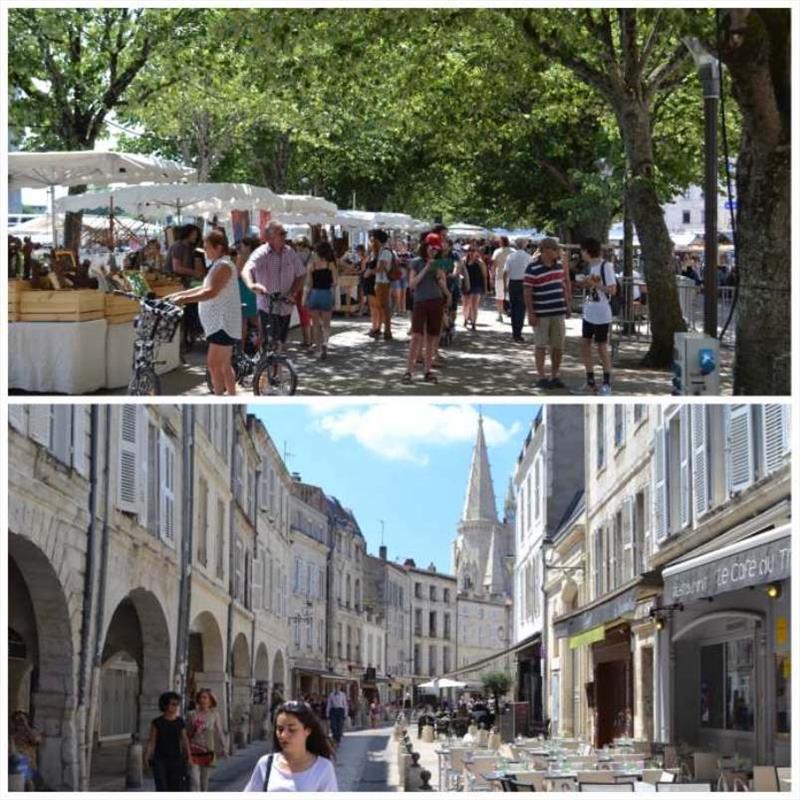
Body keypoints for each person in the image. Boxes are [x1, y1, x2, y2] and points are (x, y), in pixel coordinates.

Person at [167, 230, 242, 395]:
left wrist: (183, 300)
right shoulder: (219, 264)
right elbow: (204, 288)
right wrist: (179, 294)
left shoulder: (223, 266)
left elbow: (211, 292)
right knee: (223, 365)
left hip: (222, 323)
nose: (205, 251)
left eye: (207, 247)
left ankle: (219, 396)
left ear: (219, 247)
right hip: (223, 323)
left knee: (214, 364)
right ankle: (231, 395)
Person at [242, 221, 306, 354]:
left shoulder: (290, 252)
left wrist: (293, 292)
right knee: (269, 344)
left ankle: (274, 372)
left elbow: (301, 274)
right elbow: (246, 269)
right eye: (282, 233)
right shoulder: (261, 253)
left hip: (286, 306)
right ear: (270, 237)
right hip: (268, 307)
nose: (285, 236)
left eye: (285, 233)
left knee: (280, 342)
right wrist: (251, 284)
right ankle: (267, 372)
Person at [244, 701, 337, 792]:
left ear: (307, 731)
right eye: (280, 729)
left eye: (292, 729)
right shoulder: (265, 764)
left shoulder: (323, 768)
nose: (283, 735)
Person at [523, 237, 571, 390]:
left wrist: (567, 304)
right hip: (541, 313)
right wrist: (531, 313)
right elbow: (527, 292)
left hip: (558, 312)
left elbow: (562, 285)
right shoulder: (532, 269)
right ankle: (541, 376)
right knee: (541, 345)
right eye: (555, 249)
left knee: (558, 346)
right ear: (546, 250)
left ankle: (555, 375)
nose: (558, 253)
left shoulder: (559, 266)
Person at [403, 234, 450, 385]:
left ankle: (427, 371)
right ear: (426, 246)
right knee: (416, 336)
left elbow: (442, 282)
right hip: (420, 302)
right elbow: (412, 284)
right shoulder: (416, 262)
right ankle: (408, 371)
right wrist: (427, 268)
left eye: (437, 249)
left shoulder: (440, 262)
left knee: (431, 337)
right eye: (432, 247)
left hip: (436, 301)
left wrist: (447, 292)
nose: (434, 251)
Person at [575, 236, 616, 395]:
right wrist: (585, 283)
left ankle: (606, 383)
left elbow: (612, 290)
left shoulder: (606, 266)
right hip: (589, 311)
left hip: (601, 312)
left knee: (601, 347)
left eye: (582, 251)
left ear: (587, 251)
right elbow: (594, 287)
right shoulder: (591, 267)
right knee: (585, 344)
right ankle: (590, 381)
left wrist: (594, 284)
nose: (581, 254)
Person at [143, 691, 191, 792]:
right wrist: (146, 755)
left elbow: (184, 739)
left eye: (177, 704)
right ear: (165, 705)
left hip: (176, 759)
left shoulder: (180, 722)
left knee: (176, 787)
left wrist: (189, 756)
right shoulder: (157, 722)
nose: (176, 707)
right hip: (160, 759)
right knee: (162, 787)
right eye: (173, 704)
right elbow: (152, 741)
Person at [304, 240, 339, 360]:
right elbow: (335, 282)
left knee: (315, 324)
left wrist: (304, 299)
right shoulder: (331, 265)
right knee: (326, 324)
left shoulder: (311, 265)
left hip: (314, 294)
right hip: (326, 294)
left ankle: (317, 347)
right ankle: (325, 344)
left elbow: (308, 284)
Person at [187, 689, 227, 792]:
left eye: (205, 697)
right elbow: (187, 734)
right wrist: (195, 728)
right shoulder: (192, 714)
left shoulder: (214, 714)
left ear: (210, 700)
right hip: (194, 749)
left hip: (207, 750)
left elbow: (219, 732)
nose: (203, 700)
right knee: (194, 779)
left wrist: (224, 747)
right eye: (201, 697)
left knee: (204, 780)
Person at [503, 238, 532, 342]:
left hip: (512, 283)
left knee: (513, 307)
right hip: (523, 283)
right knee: (521, 308)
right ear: (524, 245)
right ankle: (518, 332)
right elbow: (531, 273)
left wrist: (505, 285)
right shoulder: (528, 257)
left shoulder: (510, 256)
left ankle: (515, 331)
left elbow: (505, 272)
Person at [236, 237, 262, 351]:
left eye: (242, 245)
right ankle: (260, 347)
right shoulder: (259, 257)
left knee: (243, 321)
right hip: (255, 289)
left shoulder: (241, 258)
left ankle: (241, 350)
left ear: (248, 246)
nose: (240, 248)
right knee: (257, 321)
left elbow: (237, 275)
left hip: (243, 289)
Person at [368, 228, 394, 340]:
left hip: (382, 282)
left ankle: (387, 331)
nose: (372, 241)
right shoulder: (384, 250)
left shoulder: (385, 252)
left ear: (378, 239)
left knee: (384, 307)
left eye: (373, 239)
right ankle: (385, 330)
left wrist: (370, 272)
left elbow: (380, 268)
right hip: (382, 282)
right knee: (383, 306)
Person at [10, 711, 45, 790]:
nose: (19, 722)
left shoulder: (32, 733)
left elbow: (37, 739)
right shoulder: (12, 736)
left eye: (21, 719)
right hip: (14, 770)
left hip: (29, 769)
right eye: (16, 720)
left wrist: (26, 726)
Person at [293, 236, 314, 348]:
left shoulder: (297, 256)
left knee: (303, 314)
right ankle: (311, 338)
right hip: (312, 286)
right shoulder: (313, 255)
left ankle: (307, 340)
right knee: (309, 314)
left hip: (301, 287)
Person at [462, 245, 487, 331]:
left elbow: (484, 276)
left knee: (474, 305)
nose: (471, 252)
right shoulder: (463, 261)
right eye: (469, 250)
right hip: (465, 285)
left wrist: (486, 288)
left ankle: (473, 323)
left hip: (477, 285)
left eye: (473, 250)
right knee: (466, 304)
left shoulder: (480, 262)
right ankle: (465, 319)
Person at [491, 236, 513, 322]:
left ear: (501, 242)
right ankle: (511, 312)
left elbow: (494, 265)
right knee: (511, 296)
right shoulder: (513, 252)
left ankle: (500, 315)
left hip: (499, 276)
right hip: (511, 277)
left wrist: (492, 277)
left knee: (499, 296)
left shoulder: (497, 252)